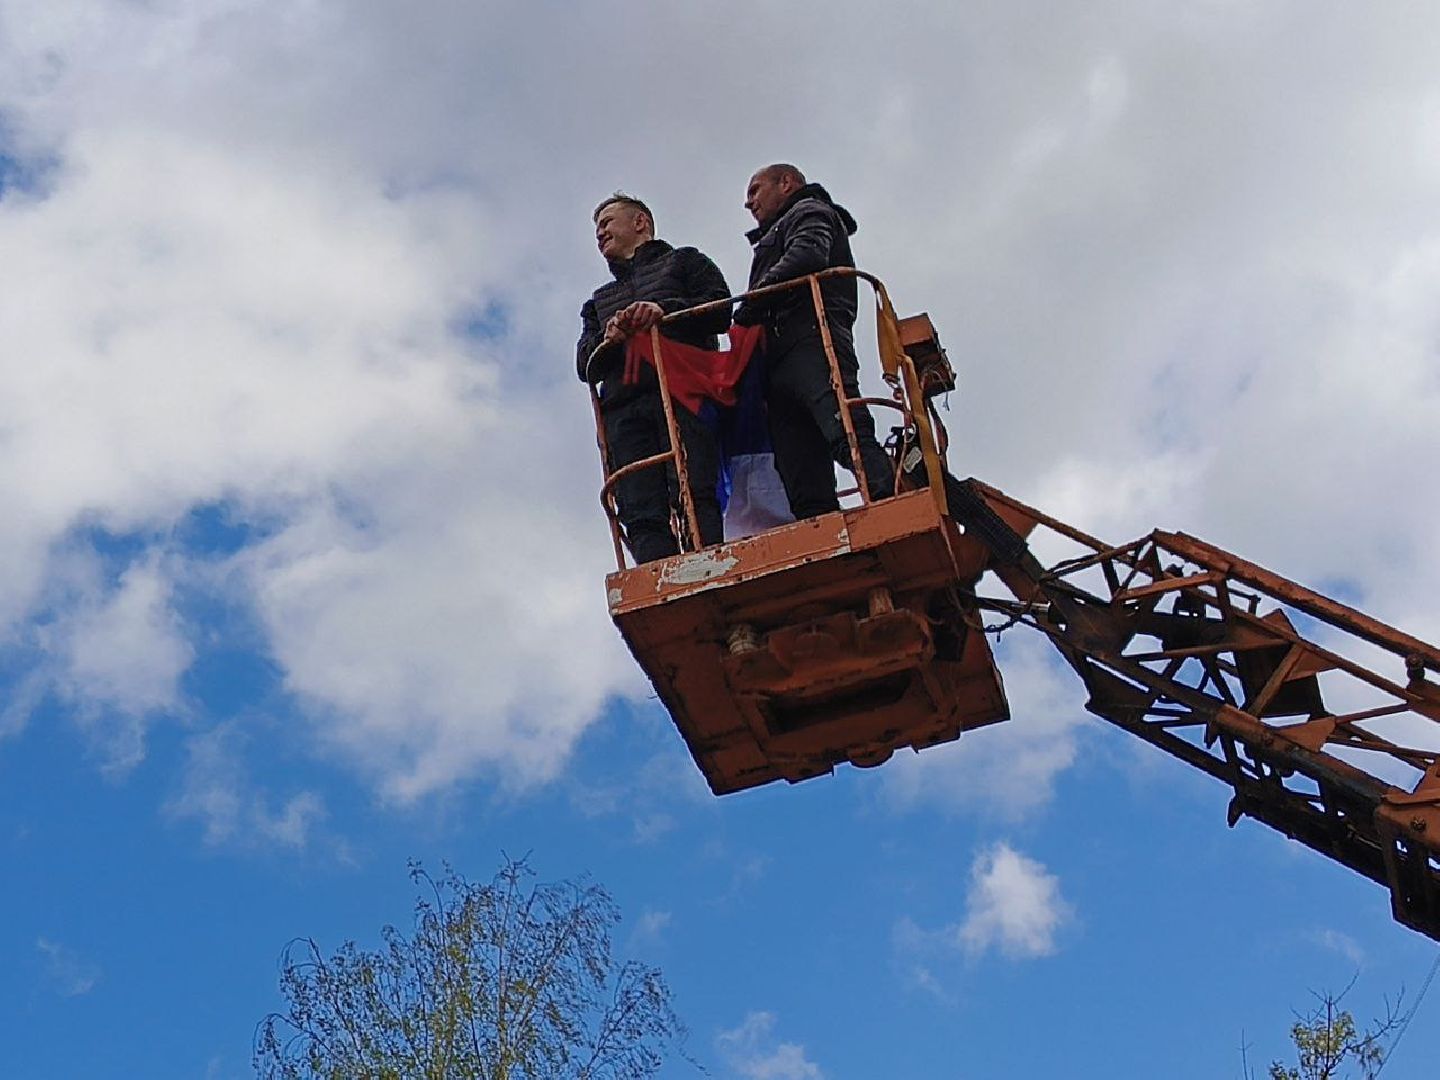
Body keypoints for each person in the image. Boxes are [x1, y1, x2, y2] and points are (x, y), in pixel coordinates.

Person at [734, 164, 895, 520]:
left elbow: (807, 255)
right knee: (798, 463)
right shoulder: (782, 228)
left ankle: (889, 500)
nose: (749, 203)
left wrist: (751, 303)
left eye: (755, 190)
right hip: (783, 354)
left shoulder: (809, 210)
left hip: (812, 338)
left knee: (844, 429)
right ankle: (822, 523)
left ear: (786, 183)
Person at [577, 193, 731, 563]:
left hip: (684, 393)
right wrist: (608, 339)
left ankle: (707, 563)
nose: (599, 233)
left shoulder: (686, 261)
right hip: (624, 409)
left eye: (607, 222)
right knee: (638, 505)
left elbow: (720, 309)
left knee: (694, 487)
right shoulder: (598, 301)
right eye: (596, 228)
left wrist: (664, 311)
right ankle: (659, 573)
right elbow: (585, 365)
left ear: (640, 222)